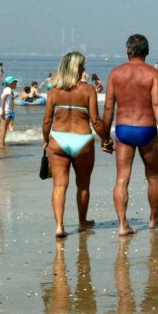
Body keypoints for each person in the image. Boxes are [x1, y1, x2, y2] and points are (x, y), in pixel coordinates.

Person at [102, 34, 158, 236]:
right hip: (146, 129)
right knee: (153, 176)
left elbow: (108, 108)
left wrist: (105, 136)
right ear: (147, 52)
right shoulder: (153, 74)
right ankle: (152, 219)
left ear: (127, 50)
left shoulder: (115, 74)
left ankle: (123, 224)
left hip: (123, 129)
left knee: (122, 178)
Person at [43, 52, 108, 238]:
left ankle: (59, 226)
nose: (84, 70)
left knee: (59, 185)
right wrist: (105, 139)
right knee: (83, 185)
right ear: (76, 68)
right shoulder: (88, 90)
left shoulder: (53, 91)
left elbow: (47, 121)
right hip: (82, 140)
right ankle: (82, 222)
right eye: (82, 67)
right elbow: (95, 120)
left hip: (58, 140)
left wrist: (46, 139)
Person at [0, 76, 19, 148]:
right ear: (10, 83)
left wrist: (14, 97)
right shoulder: (8, 89)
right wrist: (3, 110)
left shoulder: (8, 90)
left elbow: (7, 99)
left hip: (7, 111)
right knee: (3, 128)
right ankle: (1, 144)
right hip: (5, 111)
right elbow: (3, 98)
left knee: (4, 128)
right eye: (15, 83)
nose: (16, 84)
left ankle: (2, 142)